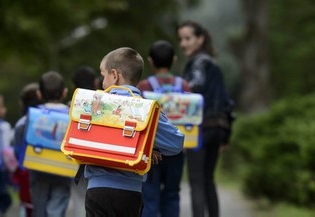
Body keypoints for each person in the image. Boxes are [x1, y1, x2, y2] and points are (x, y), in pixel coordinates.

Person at [84, 47, 185, 217]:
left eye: (103, 76)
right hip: (129, 193)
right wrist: (148, 145)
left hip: (96, 189)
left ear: (115, 75)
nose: (102, 82)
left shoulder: (92, 105)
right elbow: (176, 143)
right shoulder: (146, 108)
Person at [177, 20, 234, 217]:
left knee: (197, 182)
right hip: (218, 127)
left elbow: (195, 86)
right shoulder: (214, 65)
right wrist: (226, 135)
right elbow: (228, 103)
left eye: (187, 38)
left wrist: (179, 89)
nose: (183, 43)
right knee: (208, 180)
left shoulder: (198, 63)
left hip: (199, 129)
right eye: (181, 39)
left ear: (200, 39)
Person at [137, 40, 190, 217]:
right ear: (174, 60)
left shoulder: (144, 87)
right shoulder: (183, 85)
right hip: (177, 150)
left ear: (150, 61)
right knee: (172, 193)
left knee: (149, 194)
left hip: (152, 150)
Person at [28, 71, 71, 217]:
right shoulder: (72, 115)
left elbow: (20, 145)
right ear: (65, 92)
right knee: (57, 208)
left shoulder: (32, 116)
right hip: (64, 169)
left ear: (39, 94)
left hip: (37, 168)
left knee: (39, 209)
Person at [69, 66, 100, 217]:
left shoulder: (70, 106)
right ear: (95, 82)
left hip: (76, 161)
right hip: (99, 159)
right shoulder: (104, 104)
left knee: (80, 200)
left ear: (74, 86)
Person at [11, 82, 43, 217]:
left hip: (27, 172)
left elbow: (17, 151)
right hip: (47, 169)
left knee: (28, 207)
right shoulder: (47, 119)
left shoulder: (21, 123)